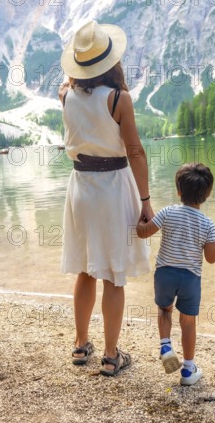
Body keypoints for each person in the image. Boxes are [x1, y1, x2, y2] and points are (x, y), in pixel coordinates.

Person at [59, 20, 154, 376]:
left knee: (85, 269)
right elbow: (136, 153)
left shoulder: (63, 93)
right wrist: (145, 201)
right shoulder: (119, 99)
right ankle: (112, 355)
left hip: (80, 187)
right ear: (110, 61)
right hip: (113, 186)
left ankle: (81, 345)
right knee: (114, 274)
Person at [136, 163, 215, 385]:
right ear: (208, 194)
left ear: (178, 191)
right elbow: (211, 258)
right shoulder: (208, 224)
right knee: (188, 322)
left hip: (165, 274)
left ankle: (165, 345)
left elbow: (144, 233)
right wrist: (214, 246)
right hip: (190, 278)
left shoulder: (168, 212)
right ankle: (188, 371)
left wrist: (139, 222)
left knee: (164, 310)